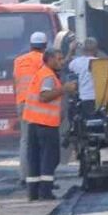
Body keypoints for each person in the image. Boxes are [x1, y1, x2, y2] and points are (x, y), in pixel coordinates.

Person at [24, 48, 75, 201]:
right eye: (58, 59)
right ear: (50, 60)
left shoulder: (43, 72)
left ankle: (33, 192)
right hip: (45, 124)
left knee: (35, 158)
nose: (61, 62)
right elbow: (44, 96)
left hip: (33, 122)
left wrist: (70, 52)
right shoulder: (48, 77)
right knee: (50, 158)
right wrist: (64, 89)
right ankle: (45, 192)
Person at [13, 31, 48, 183]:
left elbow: (15, 82)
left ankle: (24, 176)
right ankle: (40, 176)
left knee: (25, 140)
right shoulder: (44, 60)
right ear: (45, 46)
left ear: (31, 45)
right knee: (41, 140)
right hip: (38, 103)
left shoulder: (18, 61)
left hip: (22, 102)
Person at [66, 37, 100, 114]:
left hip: (84, 98)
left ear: (83, 50)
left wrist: (71, 50)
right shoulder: (100, 63)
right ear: (96, 49)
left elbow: (66, 64)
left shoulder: (76, 62)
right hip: (100, 98)